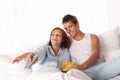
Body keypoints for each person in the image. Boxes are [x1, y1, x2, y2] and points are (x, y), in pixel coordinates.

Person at [62, 14, 120, 80]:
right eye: (66, 29)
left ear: (77, 24)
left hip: (99, 69)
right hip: (82, 73)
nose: (68, 31)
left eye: (70, 27)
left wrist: (82, 66)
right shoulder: (67, 41)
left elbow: (96, 54)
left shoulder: (92, 37)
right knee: (73, 74)